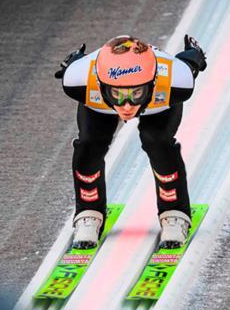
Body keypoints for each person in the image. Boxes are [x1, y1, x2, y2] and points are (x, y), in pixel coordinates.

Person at [54, 35, 207, 249]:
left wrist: (194, 55)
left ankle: (175, 211)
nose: (127, 106)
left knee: (158, 141)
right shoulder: (78, 79)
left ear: (153, 81)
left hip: (151, 103)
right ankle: (88, 210)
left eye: (136, 93)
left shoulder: (176, 80)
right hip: (112, 102)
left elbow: (189, 63)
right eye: (117, 93)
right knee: (89, 144)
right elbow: (75, 65)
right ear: (99, 82)